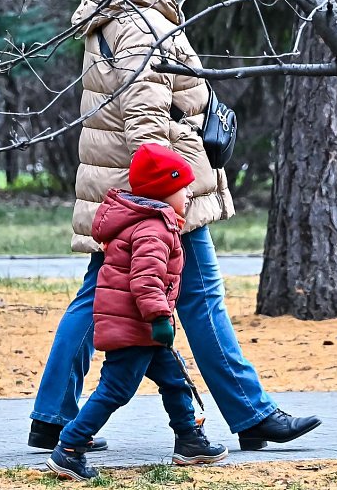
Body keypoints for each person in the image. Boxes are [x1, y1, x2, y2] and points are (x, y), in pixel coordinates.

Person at [29, 0, 321, 452]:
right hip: (157, 189)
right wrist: (167, 197)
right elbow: (145, 120)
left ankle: (52, 416)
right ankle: (251, 413)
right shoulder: (141, 23)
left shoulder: (123, 11)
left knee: (97, 297)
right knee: (201, 298)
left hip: (126, 187)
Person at [46, 143, 228, 481]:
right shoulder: (152, 230)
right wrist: (158, 318)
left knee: (175, 379)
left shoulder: (152, 223)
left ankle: (189, 439)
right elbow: (146, 280)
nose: (188, 194)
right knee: (116, 390)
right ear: (162, 191)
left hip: (140, 327)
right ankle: (69, 448)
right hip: (135, 328)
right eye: (182, 188)